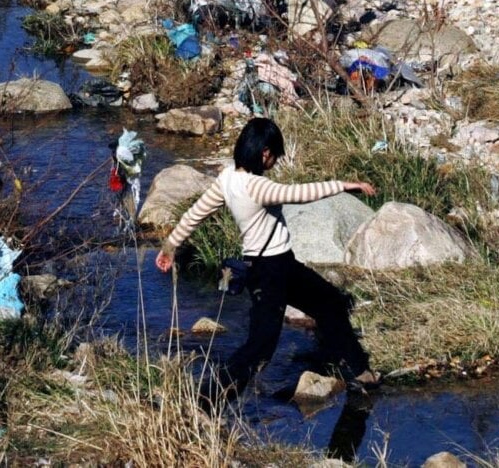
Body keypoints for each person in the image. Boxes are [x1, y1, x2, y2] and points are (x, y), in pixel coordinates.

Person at [156, 118, 379, 399]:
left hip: (281, 266)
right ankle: (207, 401)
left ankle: (360, 373)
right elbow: (299, 193)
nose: (274, 161)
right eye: (275, 154)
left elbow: (195, 214)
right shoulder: (256, 186)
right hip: (270, 272)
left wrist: (170, 245)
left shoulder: (227, 179)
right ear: (264, 153)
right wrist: (345, 185)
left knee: (331, 302)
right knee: (260, 347)